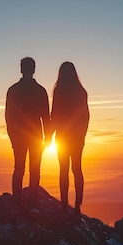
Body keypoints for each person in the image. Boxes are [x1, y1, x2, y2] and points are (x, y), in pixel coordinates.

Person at [5, 57, 50, 207]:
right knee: (35, 169)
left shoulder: (13, 90)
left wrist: (12, 137)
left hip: (18, 136)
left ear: (21, 69)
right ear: (34, 69)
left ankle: (17, 201)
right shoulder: (40, 91)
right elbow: (46, 118)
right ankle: (32, 203)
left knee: (18, 168)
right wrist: (48, 139)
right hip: (36, 135)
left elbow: (9, 117)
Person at [50, 62, 89, 214]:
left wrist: (49, 136)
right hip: (77, 138)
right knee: (77, 169)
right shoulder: (81, 92)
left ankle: (64, 203)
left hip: (62, 137)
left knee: (63, 170)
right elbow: (85, 116)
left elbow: (55, 114)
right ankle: (78, 205)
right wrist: (82, 135)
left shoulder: (59, 90)